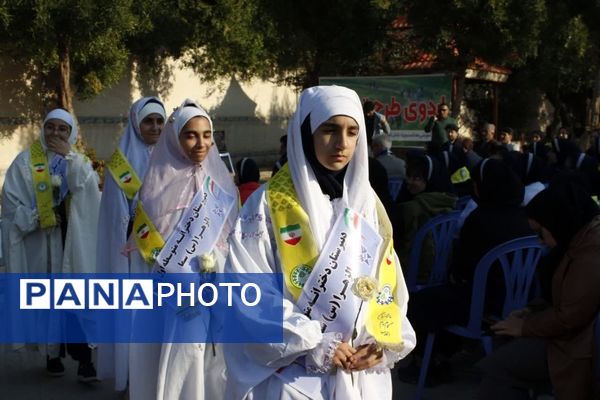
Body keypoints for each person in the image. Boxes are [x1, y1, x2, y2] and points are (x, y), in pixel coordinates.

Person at [224, 85, 416, 399]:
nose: (342, 143)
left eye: (353, 132)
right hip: (293, 376)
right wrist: (311, 343)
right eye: (329, 130)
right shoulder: (266, 205)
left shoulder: (369, 206)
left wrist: (380, 344)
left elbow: (388, 287)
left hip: (360, 376)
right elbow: (248, 289)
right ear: (305, 133)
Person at [127, 100, 238, 400]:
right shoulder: (154, 185)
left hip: (215, 284)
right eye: (190, 135)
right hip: (172, 292)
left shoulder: (222, 184)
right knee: (181, 355)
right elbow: (148, 244)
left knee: (215, 359)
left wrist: (216, 263)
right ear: (175, 138)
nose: (200, 143)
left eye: (206, 135)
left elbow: (232, 237)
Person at [1, 108, 101, 380]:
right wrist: (37, 217)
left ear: (71, 133)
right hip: (41, 240)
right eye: (50, 127)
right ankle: (51, 354)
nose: (55, 133)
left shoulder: (76, 160)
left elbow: (89, 190)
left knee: (77, 300)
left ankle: (84, 361)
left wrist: (70, 156)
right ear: (42, 129)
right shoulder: (24, 163)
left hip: (71, 238)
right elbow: (10, 207)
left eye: (62, 129)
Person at [480, 176, 600, 400]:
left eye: (541, 232)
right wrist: (533, 311)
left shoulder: (591, 250)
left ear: (558, 223)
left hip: (579, 347)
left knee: (497, 367)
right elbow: (566, 299)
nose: (540, 241)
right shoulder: (579, 238)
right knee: (502, 337)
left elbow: (570, 317)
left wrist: (525, 326)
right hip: (572, 335)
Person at [95, 97, 166, 392]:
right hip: (134, 256)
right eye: (149, 121)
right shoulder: (119, 163)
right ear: (136, 123)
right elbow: (114, 216)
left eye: (160, 121)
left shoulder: (171, 155)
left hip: (167, 254)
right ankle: (130, 381)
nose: (155, 127)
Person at [395, 151, 457, 280]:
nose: (409, 181)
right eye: (409, 176)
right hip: (442, 274)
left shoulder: (411, 208)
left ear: (430, 180)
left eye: (417, 178)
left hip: (409, 273)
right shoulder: (449, 204)